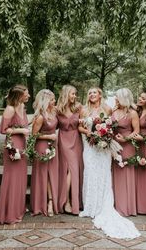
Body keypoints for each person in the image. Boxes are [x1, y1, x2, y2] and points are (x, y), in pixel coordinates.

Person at [79, 87, 140, 239]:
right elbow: (79, 126)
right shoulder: (84, 109)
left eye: (94, 92)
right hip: (89, 147)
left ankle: (102, 205)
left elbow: (111, 126)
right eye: (90, 92)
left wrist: (104, 136)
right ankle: (90, 206)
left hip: (103, 147)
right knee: (90, 173)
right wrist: (89, 133)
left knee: (104, 174)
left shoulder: (107, 109)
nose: (92, 94)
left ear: (100, 95)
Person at [0, 85, 30, 224]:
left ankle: (18, 209)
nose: (29, 96)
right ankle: (8, 213)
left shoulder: (23, 107)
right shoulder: (10, 109)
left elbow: (24, 126)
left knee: (21, 178)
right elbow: (3, 130)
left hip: (22, 145)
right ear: (19, 95)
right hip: (13, 145)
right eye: (26, 94)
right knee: (12, 178)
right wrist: (21, 132)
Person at [30, 89, 58, 217]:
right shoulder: (40, 117)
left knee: (52, 174)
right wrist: (49, 137)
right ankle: (47, 203)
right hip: (42, 147)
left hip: (53, 146)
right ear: (46, 101)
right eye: (52, 99)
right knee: (44, 175)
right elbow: (33, 136)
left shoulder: (53, 112)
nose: (54, 101)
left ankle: (52, 201)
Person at [112, 88, 140, 216]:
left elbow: (136, 131)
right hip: (114, 145)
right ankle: (116, 204)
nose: (116, 99)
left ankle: (127, 207)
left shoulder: (133, 113)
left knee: (126, 173)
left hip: (127, 145)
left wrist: (125, 139)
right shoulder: (113, 111)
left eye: (117, 97)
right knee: (116, 173)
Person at [57, 85, 83, 215]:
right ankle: (66, 202)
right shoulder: (57, 110)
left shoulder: (78, 107)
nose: (75, 96)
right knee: (67, 170)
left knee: (73, 170)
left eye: (75, 94)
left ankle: (72, 202)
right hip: (62, 141)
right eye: (73, 94)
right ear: (66, 94)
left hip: (76, 141)